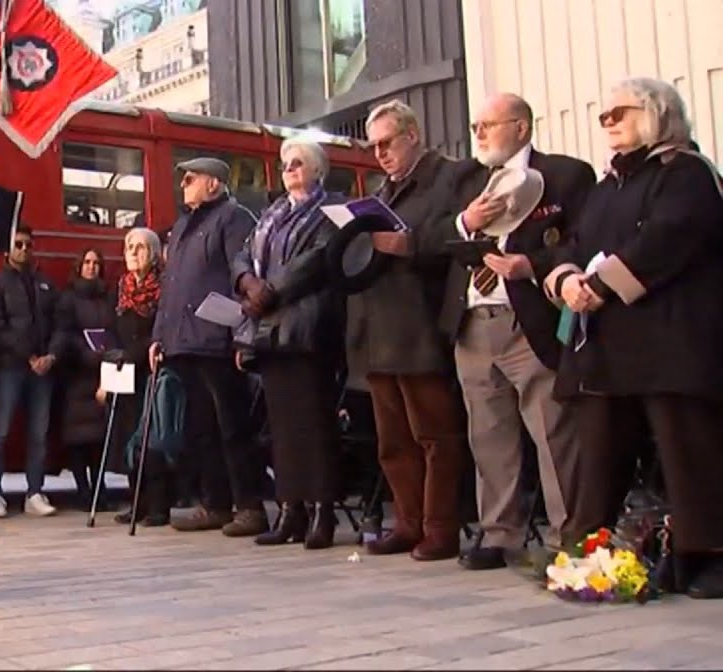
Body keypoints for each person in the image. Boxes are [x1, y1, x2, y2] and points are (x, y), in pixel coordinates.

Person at [543, 77, 723, 599]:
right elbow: (573, 242)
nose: (608, 124)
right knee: (598, 452)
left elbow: (669, 237)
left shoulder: (687, 173)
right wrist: (568, 279)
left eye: (618, 113)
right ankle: (588, 550)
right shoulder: (608, 186)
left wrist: (599, 286)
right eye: (603, 116)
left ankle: (708, 554)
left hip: (672, 342)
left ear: (656, 112)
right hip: (609, 346)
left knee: (690, 453)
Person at [422, 93, 594, 570]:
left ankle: (571, 534)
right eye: (475, 125)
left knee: (553, 430)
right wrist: (465, 220)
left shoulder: (565, 174)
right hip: (473, 322)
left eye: (488, 125)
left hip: (529, 319)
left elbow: (583, 241)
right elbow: (426, 237)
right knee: (488, 433)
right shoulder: (463, 179)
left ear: (521, 127)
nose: (478, 133)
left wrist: (532, 266)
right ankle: (501, 533)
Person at [349, 100, 467, 562]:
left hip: (420, 326)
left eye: (387, 142)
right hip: (379, 330)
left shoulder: (450, 178)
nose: (379, 153)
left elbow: (456, 239)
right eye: (373, 145)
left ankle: (440, 527)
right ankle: (408, 521)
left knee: (435, 435)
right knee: (393, 440)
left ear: (412, 135)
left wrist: (411, 244)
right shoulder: (382, 191)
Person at [231, 138, 349, 549]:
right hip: (269, 332)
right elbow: (243, 254)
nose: (290, 170)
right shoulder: (271, 213)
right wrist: (248, 282)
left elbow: (318, 259)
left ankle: (321, 512)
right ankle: (290, 510)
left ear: (317, 169)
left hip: (307, 327)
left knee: (313, 424)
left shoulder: (332, 210)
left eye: (298, 163)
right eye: (285, 165)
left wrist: (271, 290)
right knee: (280, 428)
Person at [151, 157, 268, 538]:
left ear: (214, 184)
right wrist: (159, 336)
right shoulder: (183, 225)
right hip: (185, 342)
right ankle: (215, 503)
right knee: (202, 429)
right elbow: (171, 287)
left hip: (219, 339)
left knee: (232, 426)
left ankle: (250, 506)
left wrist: (242, 336)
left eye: (190, 179)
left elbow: (243, 273)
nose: (182, 185)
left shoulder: (233, 219)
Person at [0, 225, 62, 518]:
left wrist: (51, 355)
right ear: (7, 248)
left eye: (28, 244)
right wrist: (29, 357)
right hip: (8, 369)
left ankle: (34, 493)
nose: (24, 249)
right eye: (18, 244)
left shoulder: (46, 284)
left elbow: (60, 323)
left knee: (39, 433)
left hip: (43, 371)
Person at [110, 227, 174, 526]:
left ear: (153, 252)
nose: (133, 253)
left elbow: (157, 330)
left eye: (141, 248)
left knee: (152, 437)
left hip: (151, 369)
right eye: (129, 247)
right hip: (125, 372)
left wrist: (133, 353)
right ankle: (137, 502)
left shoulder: (163, 286)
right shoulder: (122, 287)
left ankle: (159, 505)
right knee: (129, 439)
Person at [53, 248, 115, 510]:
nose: (92, 267)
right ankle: (83, 491)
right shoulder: (68, 299)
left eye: (96, 263)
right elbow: (64, 332)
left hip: (102, 372)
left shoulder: (108, 298)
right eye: (87, 263)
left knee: (99, 439)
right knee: (78, 440)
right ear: (79, 267)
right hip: (77, 373)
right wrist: (86, 353)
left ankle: (100, 491)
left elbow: (114, 328)